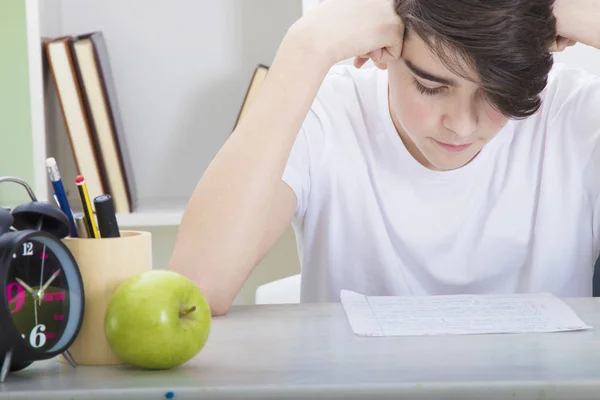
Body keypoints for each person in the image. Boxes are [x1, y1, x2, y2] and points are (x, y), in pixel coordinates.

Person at [168, 0, 600, 315]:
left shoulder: (576, 113)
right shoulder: (330, 111)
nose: (463, 126)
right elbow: (196, 291)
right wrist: (306, 46)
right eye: (432, 87)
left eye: (499, 94)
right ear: (385, 50)